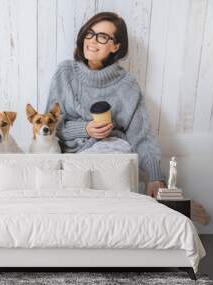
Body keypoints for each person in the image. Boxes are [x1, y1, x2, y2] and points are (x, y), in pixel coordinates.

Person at [45, 12, 166, 196]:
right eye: (90, 33)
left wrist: (156, 177)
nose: (92, 41)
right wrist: (85, 129)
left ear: (115, 46)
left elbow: (142, 136)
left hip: (110, 152)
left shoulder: (127, 86)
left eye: (102, 37)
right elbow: (49, 127)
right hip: (71, 158)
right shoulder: (65, 73)